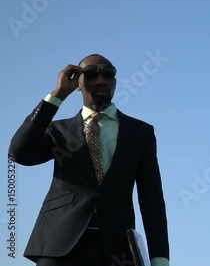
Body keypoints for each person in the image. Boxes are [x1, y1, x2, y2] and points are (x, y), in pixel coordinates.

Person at [8, 54, 170, 266]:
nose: (101, 80)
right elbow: (19, 153)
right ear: (77, 83)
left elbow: (152, 200)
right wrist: (57, 95)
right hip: (58, 246)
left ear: (115, 81)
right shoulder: (58, 130)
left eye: (108, 74)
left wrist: (159, 260)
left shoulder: (140, 133)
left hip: (118, 251)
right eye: (91, 74)